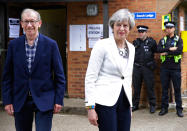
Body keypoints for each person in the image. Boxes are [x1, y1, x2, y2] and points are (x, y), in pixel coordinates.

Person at [1, 8, 66, 131]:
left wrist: (59, 99)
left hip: (45, 99)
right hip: (21, 100)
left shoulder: (51, 45)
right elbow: (7, 76)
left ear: (39, 23)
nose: (29, 25)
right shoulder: (13, 46)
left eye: (32, 21)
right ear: (21, 24)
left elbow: (59, 76)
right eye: (26, 22)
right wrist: (7, 100)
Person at [85, 9, 135, 131]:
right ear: (113, 26)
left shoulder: (132, 48)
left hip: (124, 100)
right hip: (105, 101)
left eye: (125, 25)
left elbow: (127, 78)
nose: (122, 28)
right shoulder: (101, 45)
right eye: (118, 25)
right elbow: (90, 77)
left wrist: (130, 105)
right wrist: (90, 107)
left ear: (129, 28)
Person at [157, 21, 183, 117]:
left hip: (175, 68)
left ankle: (179, 109)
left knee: (177, 89)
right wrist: (170, 49)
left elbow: (179, 51)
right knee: (164, 89)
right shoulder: (162, 40)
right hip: (164, 68)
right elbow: (158, 50)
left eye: (170, 28)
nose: (168, 29)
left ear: (174, 29)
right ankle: (164, 108)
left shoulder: (179, 39)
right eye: (166, 28)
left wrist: (166, 53)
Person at [132, 25, 157, 113]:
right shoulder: (135, 42)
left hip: (147, 68)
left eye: (142, 32)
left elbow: (155, 52)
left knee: (150, 87)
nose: (141, 33)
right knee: (136, 87)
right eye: (139, 32)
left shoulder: (151, 42)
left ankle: (152, 105)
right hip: (137, 67)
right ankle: (135, 105)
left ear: (146, 32)